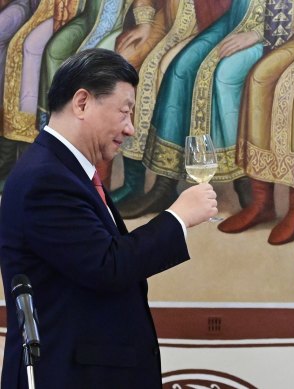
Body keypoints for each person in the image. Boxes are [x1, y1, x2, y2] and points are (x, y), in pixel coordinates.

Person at [0, 48, 218, 388]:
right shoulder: (45, 179)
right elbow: (107, 264)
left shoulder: (65, 171)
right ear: (83, 103)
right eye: (125, 112)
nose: (130, 129)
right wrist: (178, 217)